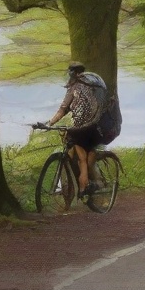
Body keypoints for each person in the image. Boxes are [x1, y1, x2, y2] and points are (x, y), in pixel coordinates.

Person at [48, 62, 109, 195]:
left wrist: (50, 123)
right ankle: (79, 186)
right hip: (87, 127)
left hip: (89, 128)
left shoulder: (82, 87)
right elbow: (64, 109)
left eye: (71, 72)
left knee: (82, 157)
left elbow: (64, 110)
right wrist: (50, 123)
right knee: (75, 153)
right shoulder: (82, 87)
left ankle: (84, 186)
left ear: (74, 73)